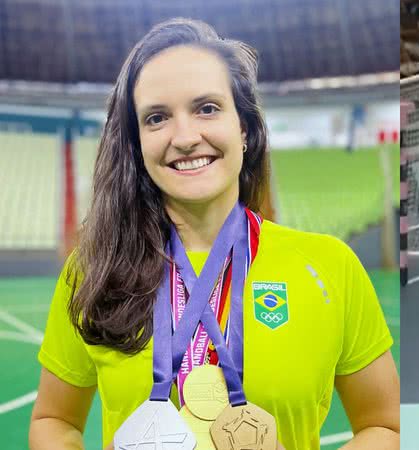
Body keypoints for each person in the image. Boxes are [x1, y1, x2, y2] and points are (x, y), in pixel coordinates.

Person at [28, 18, 399, 450]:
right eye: (157, 117)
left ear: (244, 128)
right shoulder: (94, 270)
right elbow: (54, 420)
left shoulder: (330, 266)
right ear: (136, 143)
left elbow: (385, 426)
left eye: (206, 108)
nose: (185, 137)